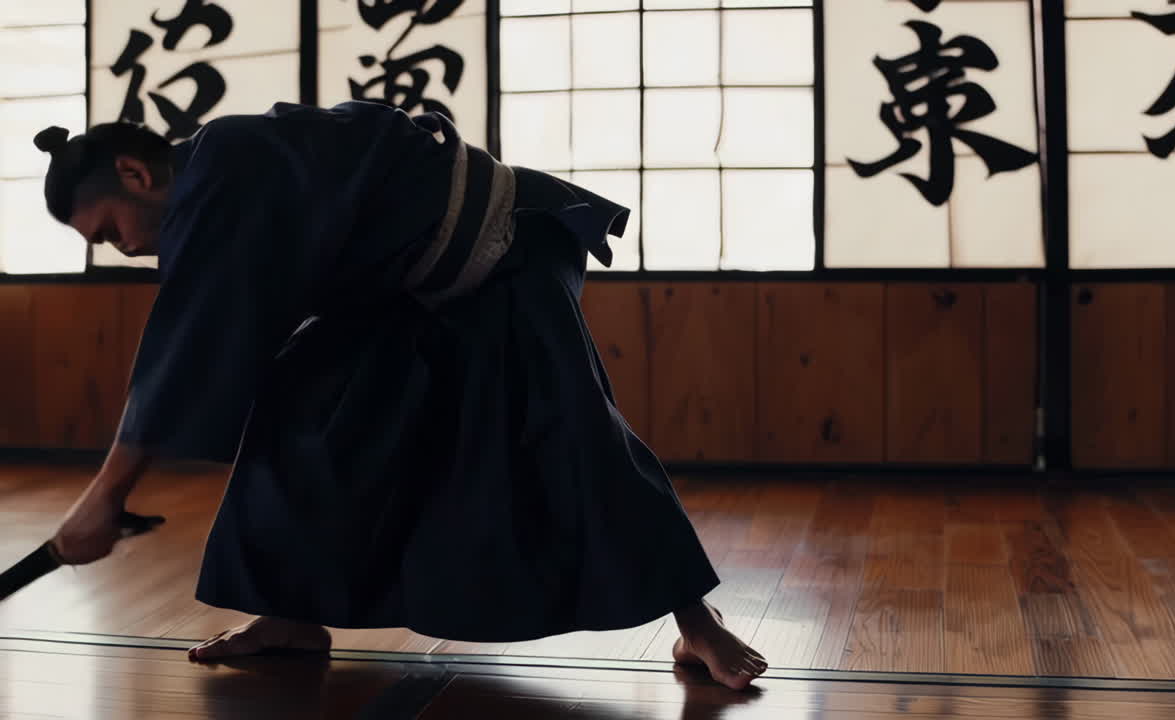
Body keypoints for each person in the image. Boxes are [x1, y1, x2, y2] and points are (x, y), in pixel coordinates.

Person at [34, 101, 767, 690]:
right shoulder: (219, 180)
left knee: (574, 430)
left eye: (108, 231)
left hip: (507, 252)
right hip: (403, 292)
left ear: (133, 173)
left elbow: (184, 346)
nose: (121, 248)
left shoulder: (224, 164)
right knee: (299, 411)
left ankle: (696, 623)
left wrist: (104, 494)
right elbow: (210, 334)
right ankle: (291, 616)